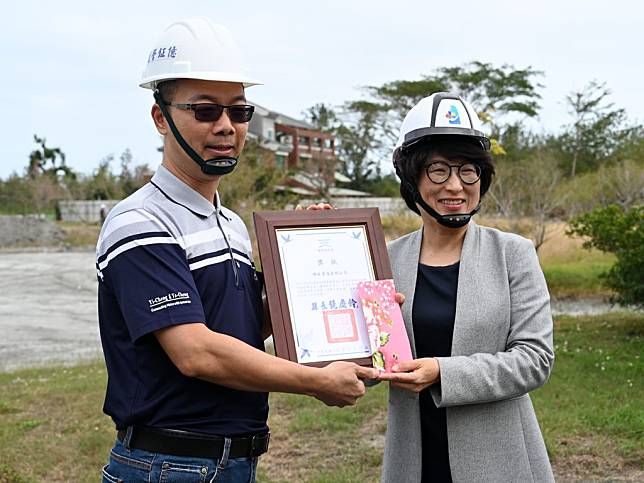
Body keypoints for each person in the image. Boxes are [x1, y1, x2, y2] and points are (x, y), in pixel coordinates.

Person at [96, 17, 377, 483]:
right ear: (160, 117)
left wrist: (303, 259)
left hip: (233, 462)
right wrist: (315, 381)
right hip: (168, 465)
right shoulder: (140, 222)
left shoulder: (230, 224)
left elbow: (248, 330)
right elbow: (197, 352)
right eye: (205, 111)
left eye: (239, 111)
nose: (227, 126)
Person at [377, 93, 555, 482]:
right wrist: (320, 235)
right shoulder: (385, 260)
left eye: (468, 170)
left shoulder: (513, 254)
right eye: (438, 170)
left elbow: (535, 359)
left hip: (499, 460)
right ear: (412, 178)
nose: (456, 186)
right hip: (415, 459)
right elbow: (347, 341)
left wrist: (442, 372)